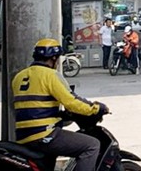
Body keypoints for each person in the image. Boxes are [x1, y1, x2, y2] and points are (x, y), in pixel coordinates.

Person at [11, 38, 109, 171]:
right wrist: (96, 108)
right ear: (54, 58)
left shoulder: (19, 77)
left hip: (23, 135)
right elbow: (71, 101)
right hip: (44, 134)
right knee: (92, 145)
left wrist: (59, 115)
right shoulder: (51, 75)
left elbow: (29, 105)